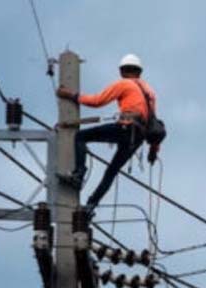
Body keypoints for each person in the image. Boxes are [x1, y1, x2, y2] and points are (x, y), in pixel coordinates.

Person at [56, 53, 161, 211]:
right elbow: (153, 123)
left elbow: (97, 101)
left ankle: (78, 175)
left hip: (126, 128)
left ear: (121, 71)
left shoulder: (124, 84)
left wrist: (70, 95)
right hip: (138, 137)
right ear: (139, 72)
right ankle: (91, 205)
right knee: (111, 172)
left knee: (80, 137)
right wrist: (153, 150)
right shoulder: (149, 92)